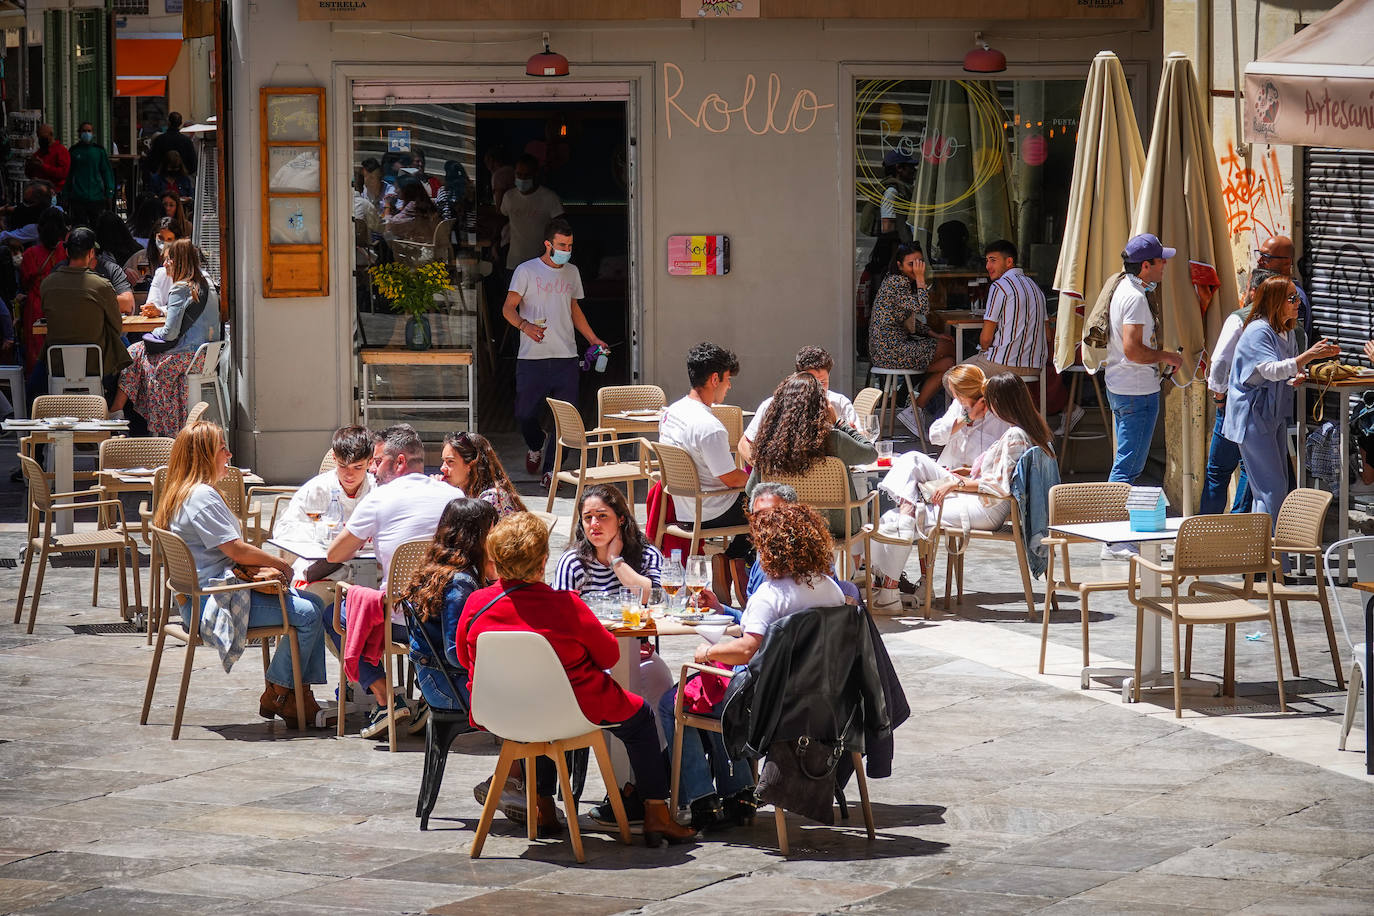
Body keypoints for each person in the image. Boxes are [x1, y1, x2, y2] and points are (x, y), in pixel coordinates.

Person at [458, 512, 696, 845]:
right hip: (574, 709)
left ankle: (543, 806)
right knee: (640, 717)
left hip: (501, 710)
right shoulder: (565, 605)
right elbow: (610, 656)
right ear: (543, 561)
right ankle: (656, 813)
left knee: (535, 714)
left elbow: (465, 657)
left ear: (495, 561)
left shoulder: (477, 604)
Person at [659, 503, 844, 831]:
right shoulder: (831, 590)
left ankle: (702, 800)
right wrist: (726, 612)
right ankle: (739, 795)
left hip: (768, 711)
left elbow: (747, 649)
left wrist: (708, 651)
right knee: (715, 690)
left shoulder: (770, 595)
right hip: (822, 704)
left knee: (678, 699)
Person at [155, 421, 327, 728]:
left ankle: (287, 693)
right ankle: (284, 694)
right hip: (212, 604)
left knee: (312, 605)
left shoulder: (180, 492)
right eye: (223, 448)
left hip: (201, 597)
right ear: (205, 455)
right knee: (311, 613)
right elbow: (236, 549)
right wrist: (282, 564)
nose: (229, 454)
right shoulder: (200, 497)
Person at [325, 424, 461, 738]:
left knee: (332, 615)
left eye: (376, 461)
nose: (372, 469)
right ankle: (429, 693)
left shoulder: (379, 499)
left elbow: (335, 553)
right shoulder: (455, 496)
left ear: (398, 462)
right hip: (448, 618)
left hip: (401, 617)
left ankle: (386, 696)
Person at [879, 372, 1053, 542]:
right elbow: (1007, 473)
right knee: (911, 467)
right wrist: (969, 471)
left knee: (897, 518)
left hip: (986, 507)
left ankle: (875, 566)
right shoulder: (1027, 432)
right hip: (986, 502)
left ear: (999, 404)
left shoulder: (1014, 434)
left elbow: (998, 486)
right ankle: (885, 562)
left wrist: (958, 483)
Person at [501, 217, 608, 485]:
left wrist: (594, 339)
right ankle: (537, 443)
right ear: (547, 244)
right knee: (525, 414)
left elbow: (573, 309)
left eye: (570, 245)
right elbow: (507, 308)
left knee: (566, 418)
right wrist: (524, 326)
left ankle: (552, 469)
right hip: (531, 358)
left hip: (566, 357)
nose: (566, 250)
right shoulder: (526, 271)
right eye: (561, 245)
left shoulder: (572, 272)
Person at [1223, 276, 1339, 523]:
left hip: (1273, 413)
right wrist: (1308, 356)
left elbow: (1285, 371)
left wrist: (1296, 376)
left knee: (1271, 489)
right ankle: (1276, 556)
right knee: (1272, 488)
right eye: (1291, 298)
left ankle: (1265, 554)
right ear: (1275, 301)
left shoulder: (1286, 331)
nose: (1298, 303)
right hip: (1253, 415)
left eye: (1298, 297)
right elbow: (1269, 369)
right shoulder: (1258, 330)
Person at [1100, 233, 1185, 558]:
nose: (1165, 266)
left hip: (1123, 387)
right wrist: (1167, 357)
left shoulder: (1125, 288)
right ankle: (1114, 539)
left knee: (1127, 462)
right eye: (1160, 261)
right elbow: (1134, 350)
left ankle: (1119, 534)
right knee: (1127, 468)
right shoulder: (1135, 297)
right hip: (1136, 390)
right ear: (1146, 265)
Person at [659, 341, 752, 589]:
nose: (729, 386)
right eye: (727, 379)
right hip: (710, 511)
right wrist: (761, 479)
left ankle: (732, 559)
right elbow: (731, 479)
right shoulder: (709, 427)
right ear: (714, 379)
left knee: (762, 497)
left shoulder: (670, 413)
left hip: (683, 508)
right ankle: (736, 560)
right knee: (774, 503)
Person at [745, 372, 876, 543]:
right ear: (821, 405)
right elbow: (870, 453)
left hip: (787, 524)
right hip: (838, 525)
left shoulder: (770, 444)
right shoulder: (833, 439)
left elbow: (751, 490)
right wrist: (839, 423)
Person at [110, 239, 221, 436]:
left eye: (168, 260)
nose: (164, 264)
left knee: (136, 354)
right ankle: (118, 413)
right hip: (204, 358)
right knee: (136, 352)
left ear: (178, 261)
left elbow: (169, 332)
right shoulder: (208, 285)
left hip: (185, 357)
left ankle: (153, 427)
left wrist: (152, 334)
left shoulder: (180, 288)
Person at [402, 497, 498, 714]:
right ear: (476, 537)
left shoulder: (451, 569)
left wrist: (492, 577)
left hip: (437, 679)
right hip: (447, 685)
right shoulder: (459, 584)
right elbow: (455, 653)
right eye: (493, 531)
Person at [1200, 270, 1275, 515]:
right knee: (1249, 470)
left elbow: (1220, 361)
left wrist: (1219, 395)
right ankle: (1238, 529)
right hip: (1266, 407)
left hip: (1236, 404)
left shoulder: (1240, 319)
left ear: (1252, 292)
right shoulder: (1283, 321)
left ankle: (1205, 532)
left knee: (1218, 471)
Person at [968, 239, 1067, 417]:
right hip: (1034, 367)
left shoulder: (999, 287)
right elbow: (1048, 335)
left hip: (1003, 364)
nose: (988, 266)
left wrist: (984, 351)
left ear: (1009, 262)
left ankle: (978, 428)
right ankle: (996, 419)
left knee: (953, 379)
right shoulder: (1036, 288)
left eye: (993, 260)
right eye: (987, 261)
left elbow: (986, 338)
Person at [270, 426, 377, 580]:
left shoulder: (379, 491)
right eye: (342, 466)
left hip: (371, 573)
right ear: (334, 458)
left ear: (370, 462)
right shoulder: (316, 489)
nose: (349, 474)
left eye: (357, 467)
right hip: (325, 573)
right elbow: (283, 530)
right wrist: (323, 533)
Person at [867, 241, 955, 424]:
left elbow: (909, 323)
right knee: (949, 347)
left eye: (920, 263)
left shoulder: (898, 281)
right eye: (911, 264)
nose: (916, 268)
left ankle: (915, 410)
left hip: (890, 351)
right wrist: (921, 279)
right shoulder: (897, 282)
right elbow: (922, 308)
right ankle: (910, 400)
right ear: (899, 265)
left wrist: (934, 334)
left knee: (948, 363)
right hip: (890, 351)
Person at [41, 227, 130, 394]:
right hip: (97, 365)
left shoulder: (47, 284)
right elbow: (117, 326)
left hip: (56, 364)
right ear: (91, 253)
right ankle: (116, 409)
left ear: (67, 252)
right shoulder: (101, 285)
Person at [739, 345, 857, 463]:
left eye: (823, 382)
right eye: (812, 383)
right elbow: (745, 443)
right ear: (799, 378)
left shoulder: (840, 403)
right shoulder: (773, 405)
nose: (818, 389)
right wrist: (761, 468)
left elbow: (862, 443)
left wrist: (849, 433)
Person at [928, 363, 1011, 471]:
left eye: (953, 392)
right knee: (913, 458)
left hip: (981, 479)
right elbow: (935, 437)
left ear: (961, 395)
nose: (953, 396)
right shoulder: (959, 405)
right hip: (949, 471)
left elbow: (1002, 459)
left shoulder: (998, 414)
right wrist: (967, 418)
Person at [16, 209, 67, 376]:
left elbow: (25, 282)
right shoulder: (67, 251)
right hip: (62, 306)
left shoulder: (30, 254)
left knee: (35, 352)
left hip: (36, 306)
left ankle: (37, 391)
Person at [436, 430, 526, 515]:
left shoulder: (490, 499)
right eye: (443, 461)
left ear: (471, 464)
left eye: (450, 461)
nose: (442, 468)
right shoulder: (464, 492)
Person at [500, 153, 564, 272]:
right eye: (519, 175)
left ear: (535, 175)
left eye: (526, 176)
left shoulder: (549, 198)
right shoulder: (509, 197)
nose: (522, 179)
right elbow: (502, 218)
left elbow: (561, 229)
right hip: (514, 263)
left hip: (542, 264)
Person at [1256, 236, 1314, 342]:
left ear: (1287, 263)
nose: (1259, 260)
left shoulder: (1292, 296)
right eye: (1260, 255)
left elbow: (1296, 343)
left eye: (1266, 257)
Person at [65, 122, 116, 229]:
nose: (86, 133)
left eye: (89, 131)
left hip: (96, 195)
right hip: (78, 196)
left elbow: (106, 172)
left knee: (97, 225)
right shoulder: (74, 152)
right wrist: (66, 194)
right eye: (84, 131)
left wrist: (109, 192)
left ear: (93, 134)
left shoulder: (99, 151)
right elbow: (69, 174)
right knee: (79, 225)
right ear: (79, 134)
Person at [383, 178, 439, 243]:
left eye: (397, 188)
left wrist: (387, 205)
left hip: (415, 248)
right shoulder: (425, 203)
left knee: (385, 235)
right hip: (428, 243)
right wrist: (393, 207)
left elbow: (389, 225)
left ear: (406, 190)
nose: (395, 191)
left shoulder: (412, 206)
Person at [147, 111, 198, 176]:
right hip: (181, 179)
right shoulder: (187, 141)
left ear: (168, 122)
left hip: (163, 179)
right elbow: (193, 165)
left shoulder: (159, 140)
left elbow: (152, 161)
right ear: (180, 123)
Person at [26, 124, 70, 192]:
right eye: (39, 137)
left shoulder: (61, 151)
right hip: (40, 191)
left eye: (43, 137)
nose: (40, 139)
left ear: (51, 135)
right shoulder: (38, 153)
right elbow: (30, 174)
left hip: (55, 191)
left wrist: (43, 166)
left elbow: (63, 173)